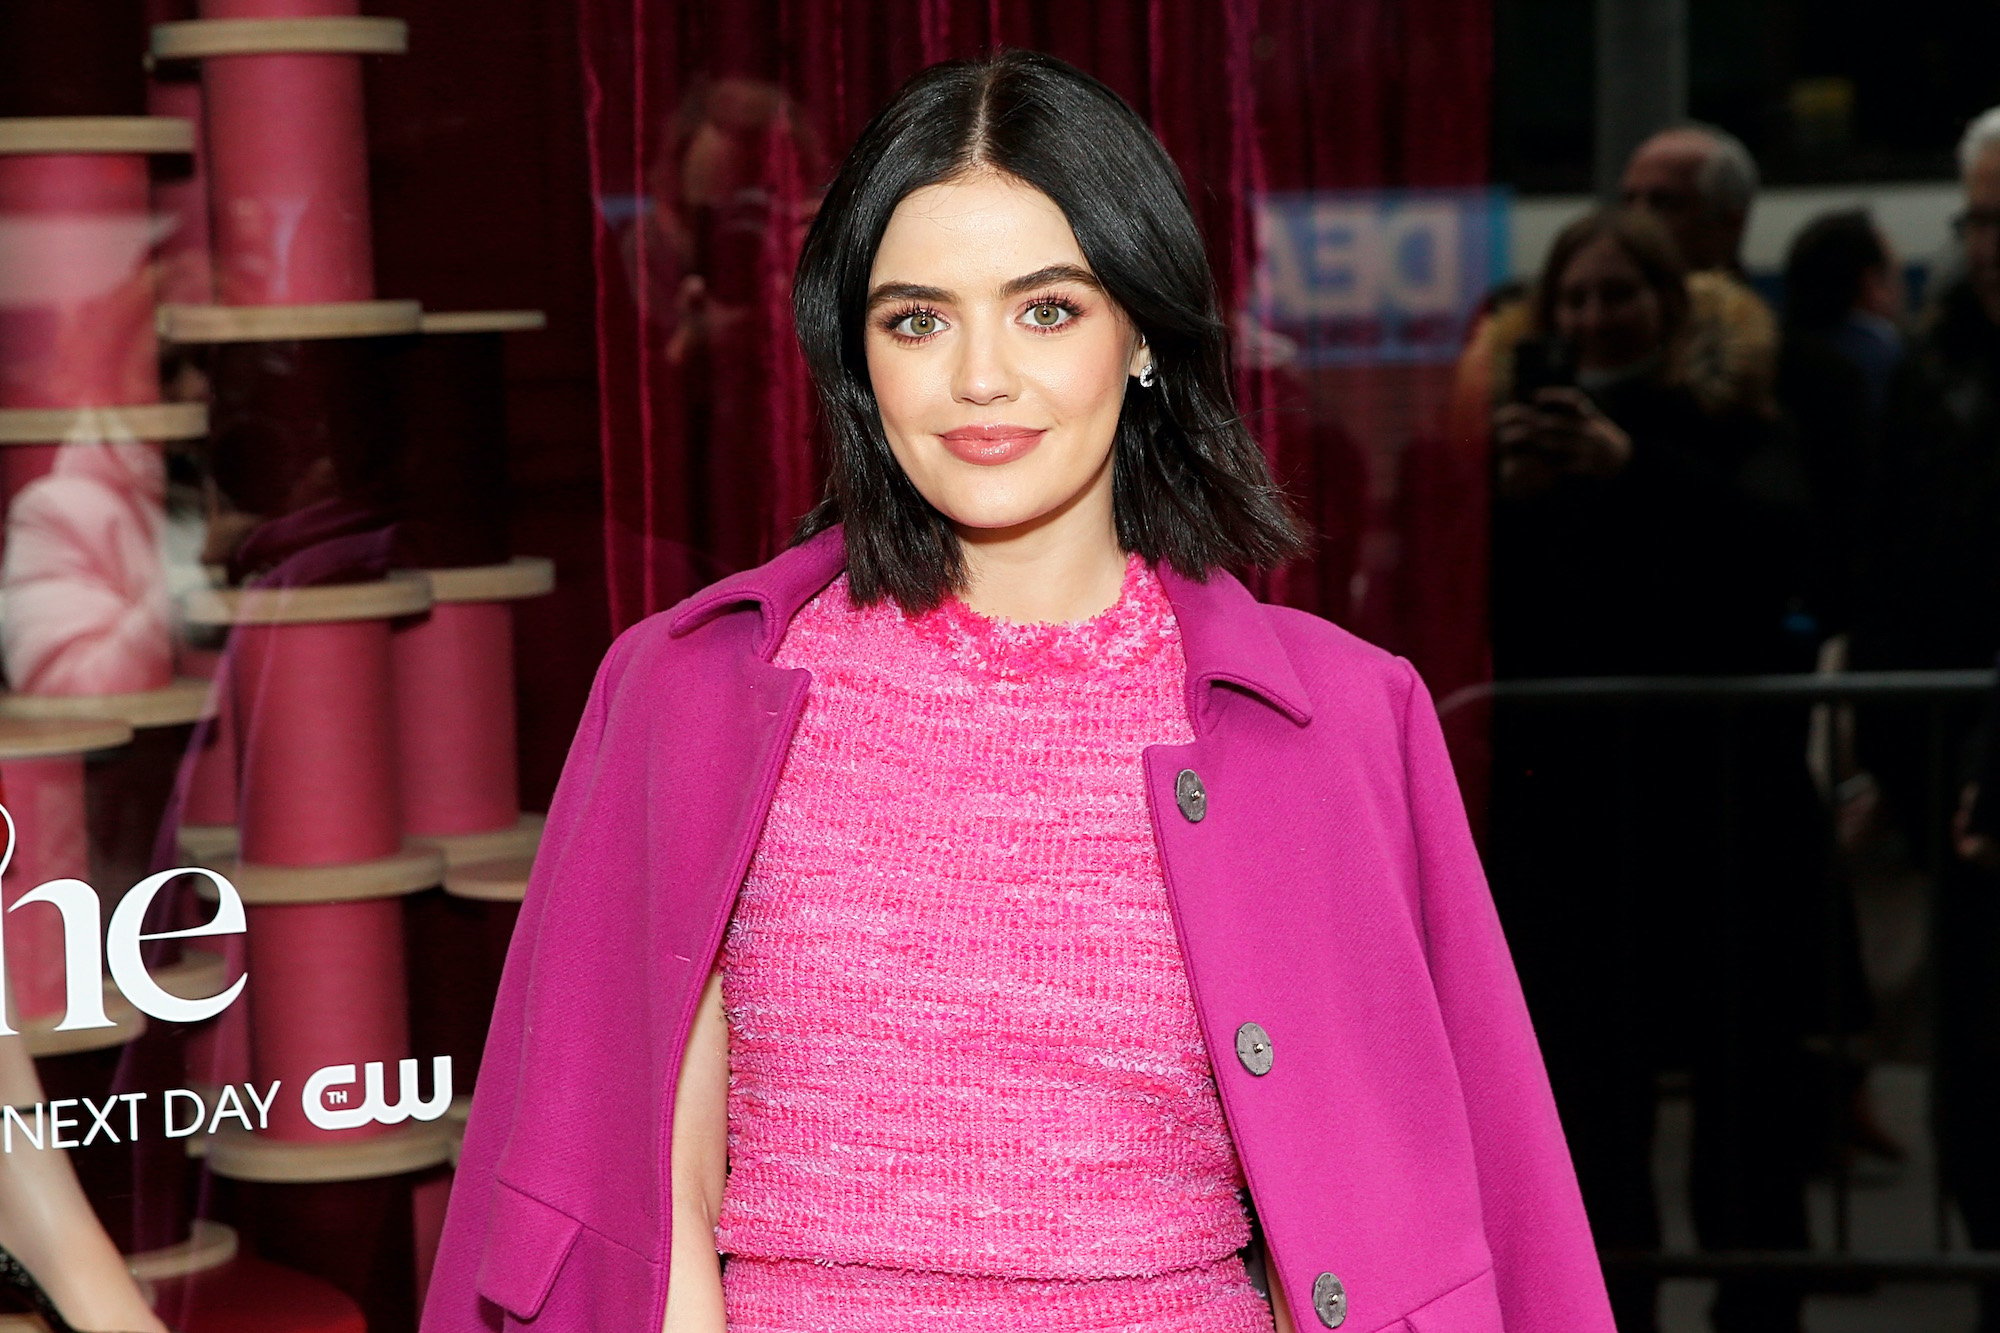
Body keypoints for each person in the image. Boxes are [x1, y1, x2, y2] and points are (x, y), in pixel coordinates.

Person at [421, 49, 1614, 1333]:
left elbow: (1463, 1183)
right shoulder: (692, 693)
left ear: (1142, 330)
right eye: (915, 318)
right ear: (856, 362)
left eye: (1046, 308)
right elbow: (650, 1187)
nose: (977, 375)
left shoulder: (1334, 720)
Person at [1486, 209, 1828, 1333]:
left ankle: (1755, 1311)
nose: (1591, 319)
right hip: (1578, 832)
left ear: (1667, 307)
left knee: (1744, 1110)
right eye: (1572, 300)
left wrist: (1631, 469)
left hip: (1722, 819)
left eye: (1614, 296)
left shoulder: (1726, 421)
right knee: (1590, 1110)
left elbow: (1775, 560)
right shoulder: (1513, 446)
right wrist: (1511, 503)